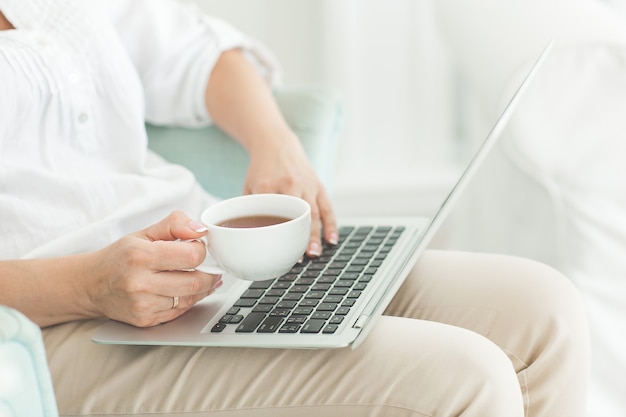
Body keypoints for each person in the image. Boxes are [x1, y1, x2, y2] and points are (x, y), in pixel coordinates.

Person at [0, 1, 589, 416]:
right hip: (52, 328)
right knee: (465, 379)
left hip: (209, 262)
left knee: (545, 312)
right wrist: (87, 286)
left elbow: (195, 52)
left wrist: (277, 146)